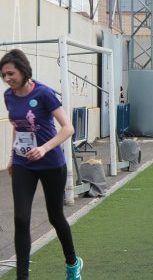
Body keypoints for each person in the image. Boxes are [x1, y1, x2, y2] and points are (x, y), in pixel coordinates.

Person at [0, 49, 83, 280]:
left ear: (23, 70)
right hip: (23, 163)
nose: (7, 79)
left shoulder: (44, 93)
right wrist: (11, 156)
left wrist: (44, 148)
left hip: (50, 163)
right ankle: (22, 277)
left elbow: (68, 128)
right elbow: (17, 126)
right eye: (4, 75)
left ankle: (72, 263)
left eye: (11, 73)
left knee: (55, 217)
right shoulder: (9, 96)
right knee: (20, 218)